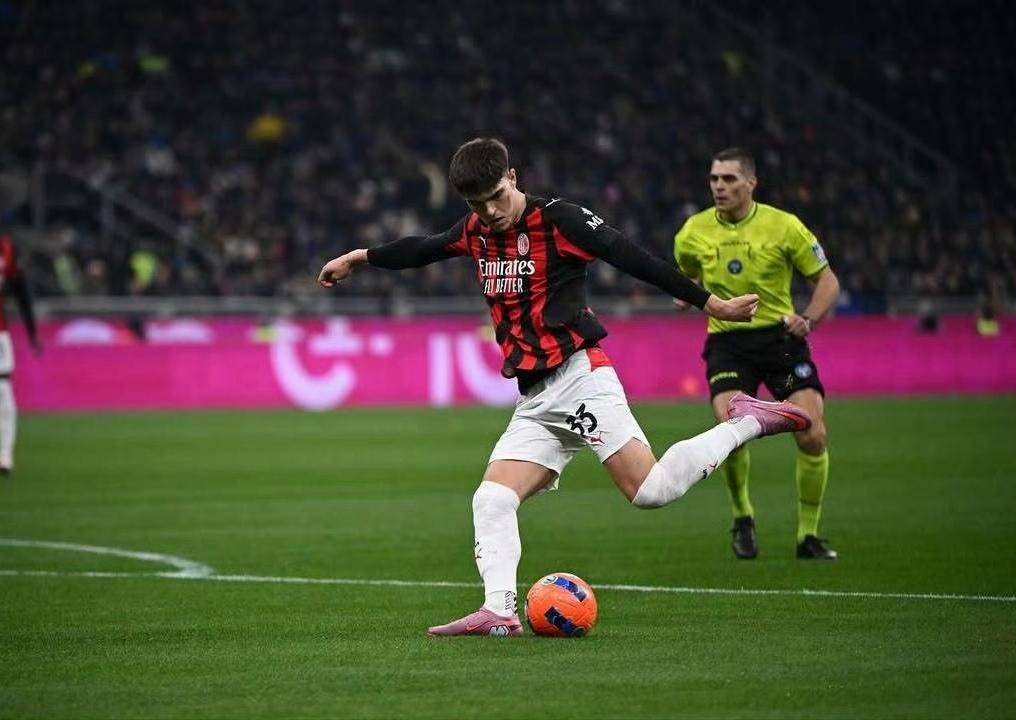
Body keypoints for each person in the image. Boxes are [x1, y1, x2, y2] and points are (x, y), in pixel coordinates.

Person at [318, 138, 813, 637]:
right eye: (476, 204)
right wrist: (360, 257)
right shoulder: (476, 230)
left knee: (650, 491)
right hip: (535, 399)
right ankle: (500, 611)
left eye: (496, 197)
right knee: (491, 500)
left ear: (513, 177)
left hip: (580, 378)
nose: (490, 212)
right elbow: (422, 249)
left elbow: (630, 256)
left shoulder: (560, 220)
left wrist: (712, 304)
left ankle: (746, 421)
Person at [673, 147, 841, 561]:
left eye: (729, 179)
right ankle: (743, 517)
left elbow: (827, 281)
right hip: (728, 343)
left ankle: (808, 535)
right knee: (730, 433)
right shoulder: (692, 232)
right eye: (714, 179)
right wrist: (687, 292)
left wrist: (809, 319)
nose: (719, 186)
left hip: (781, 341)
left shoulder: (784, 226)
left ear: (751, 184)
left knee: (812, 433)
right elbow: (686, 271)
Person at [0, 232, 42, 476]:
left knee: (3, 388)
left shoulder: (6, 249)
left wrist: (32, 330)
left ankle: (4, 455)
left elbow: (20, 289)